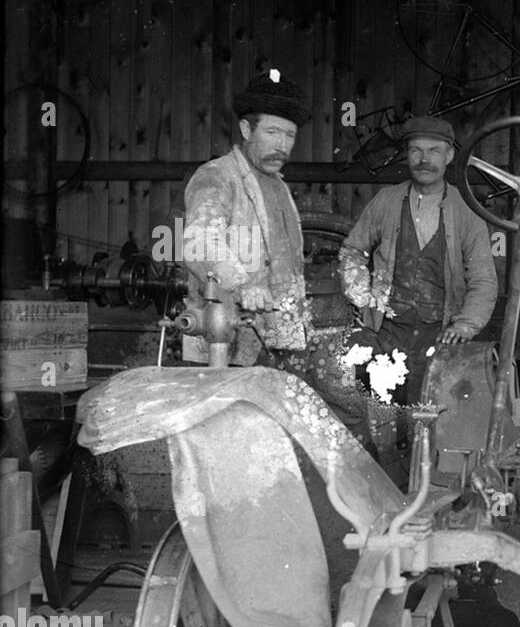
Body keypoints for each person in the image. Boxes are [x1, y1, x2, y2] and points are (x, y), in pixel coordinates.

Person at [337, 115, 498, 405]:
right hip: (385, 332)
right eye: (416, 151)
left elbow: (483, 279)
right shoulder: (386, 200)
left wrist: (465, 325)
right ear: (407, 154)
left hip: (439, 336)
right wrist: (362, 299)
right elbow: (352, 252)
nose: (424, 160)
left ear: (449, 155)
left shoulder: (467, 209)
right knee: (380, 417)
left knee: (432, 421)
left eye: (434, 151)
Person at [181, 69, 313, 365]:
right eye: (272, 132)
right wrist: (241, 284)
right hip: (222, 345)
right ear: (245, 129)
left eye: (289, 134)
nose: (282, 144)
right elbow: (199, 242)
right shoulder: (218, 177)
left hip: (273, 342)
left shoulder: (279, 186)